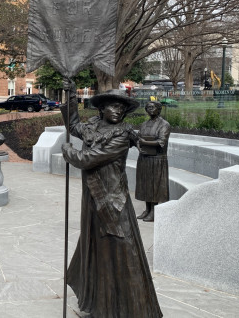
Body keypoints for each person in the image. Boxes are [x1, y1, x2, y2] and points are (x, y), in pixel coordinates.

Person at [60, 84, 163, 318]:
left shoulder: (122, 135)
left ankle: (131, 307)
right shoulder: (93, 127)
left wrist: (68, 151)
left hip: (112, 199)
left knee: (121, 247)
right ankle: (98, 303)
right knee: (96, 246)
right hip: (92, 199)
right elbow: (74, 125)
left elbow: (88, 159)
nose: (117, 111)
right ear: (102, 109)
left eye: (121, 108)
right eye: (112, 106)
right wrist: (71, 97)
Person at [135, 101, 171, 222]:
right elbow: (138, 138)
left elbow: (161, 142)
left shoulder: (164, 124)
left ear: (158, 109)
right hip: (144, 158)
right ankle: (147, 209)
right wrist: (139, 146)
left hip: (157, 160)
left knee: (154, 186)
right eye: (148, 107)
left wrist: (144, 142)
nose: (150, 109)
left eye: (152, 107)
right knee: (145, 185)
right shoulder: (144, 124)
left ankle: (154, 211)